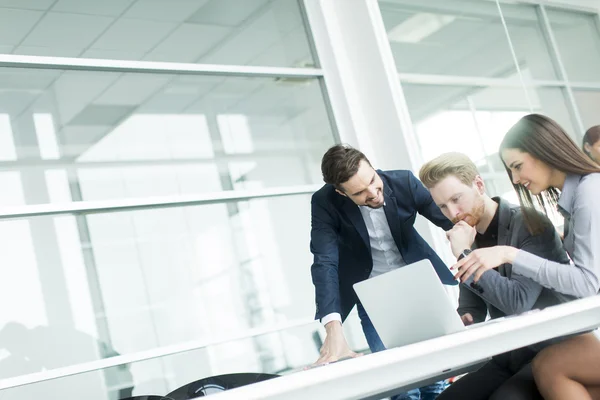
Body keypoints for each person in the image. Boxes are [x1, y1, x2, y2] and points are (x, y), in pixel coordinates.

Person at [453, 114, 600, 400]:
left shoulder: (589, 193)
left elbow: (587, 284)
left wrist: (510, 254)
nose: (516, 179)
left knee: (549, 367)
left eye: (518, 166)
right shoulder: (576, 197)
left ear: (545, 151)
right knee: (552, 370)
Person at [419, 152, 570, 400]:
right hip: (509, 355)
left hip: (549, 349)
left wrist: (463, 254)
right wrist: (462, 319)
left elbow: (518, 301)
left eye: (457, 199)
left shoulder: (530, 223)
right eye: (443, 206)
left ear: (479, 185)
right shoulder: (469, 236)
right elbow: (472, 308)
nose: (453, 212)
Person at [310, 144, 456, 399]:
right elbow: (324, 262)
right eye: (360, 192)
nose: (374, 194)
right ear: (341, 193)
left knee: (436, 378)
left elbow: (451, 221)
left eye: (373, 181)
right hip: (374, 298)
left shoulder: (404, 182)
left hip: (420, 286)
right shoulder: (325, 203)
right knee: (401, 386)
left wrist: (467, 244)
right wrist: (333, 328)